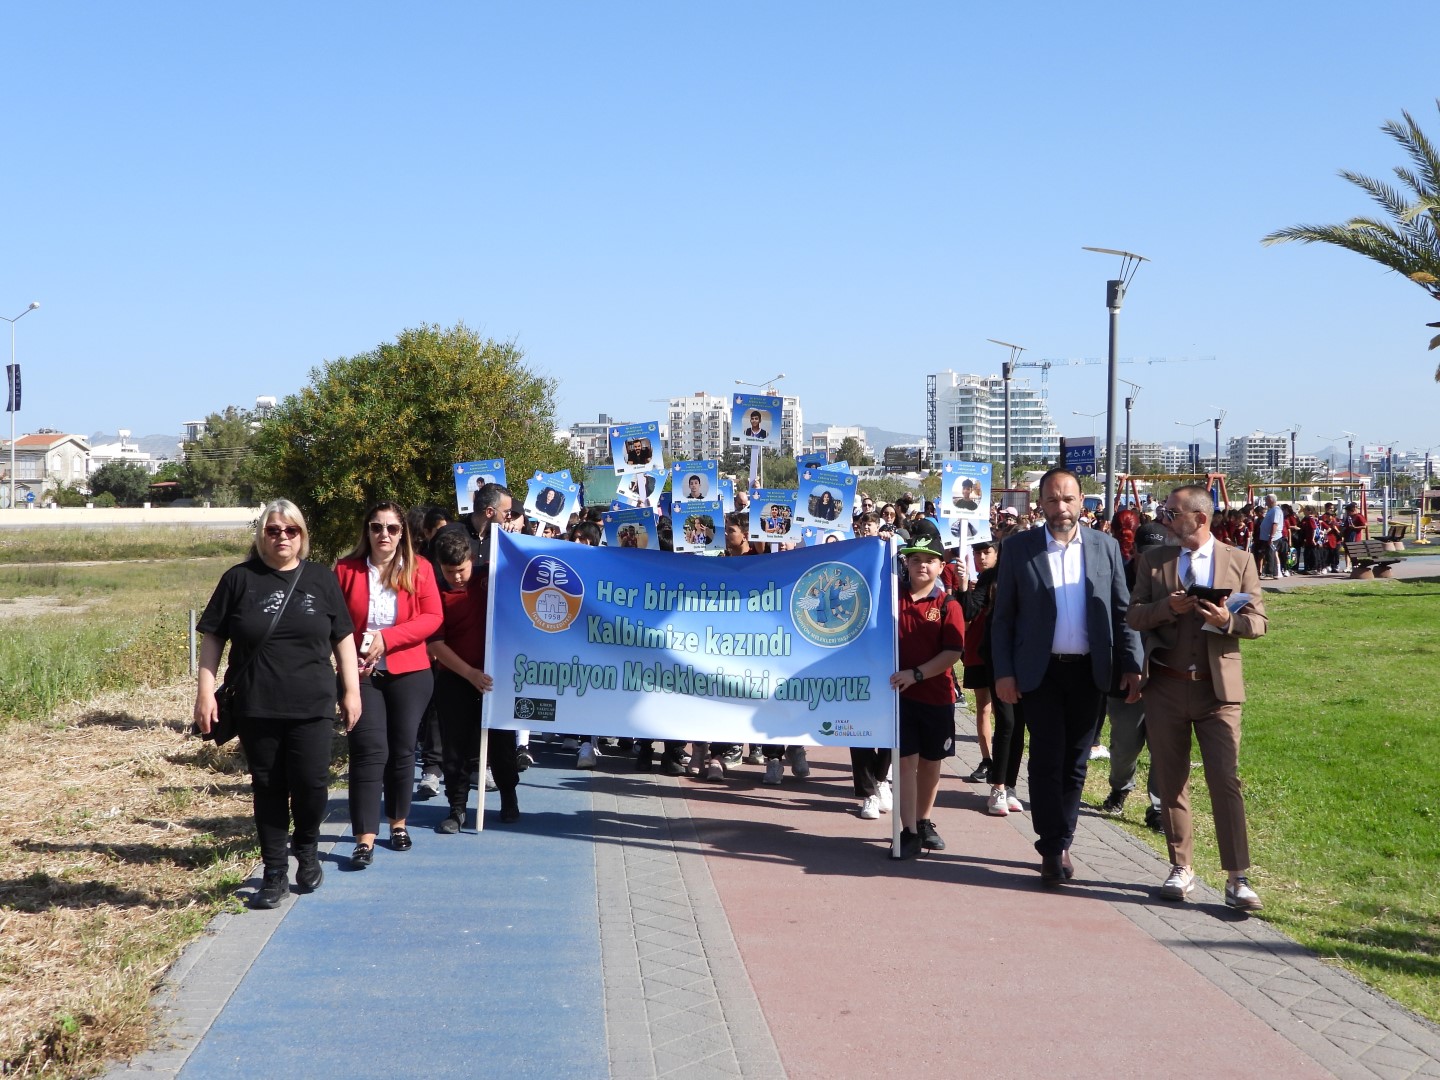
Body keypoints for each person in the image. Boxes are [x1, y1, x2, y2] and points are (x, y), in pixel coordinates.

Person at [194, 500, 361, 908]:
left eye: (291, 530)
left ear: (302, 535)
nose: (282, 537)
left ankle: (306, 847)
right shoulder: (239, 579)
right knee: (268, 787)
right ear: (261, 535)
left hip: (313, 703)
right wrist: (204, 691)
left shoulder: (321, 579)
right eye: (273, 530)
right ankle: (274, 872)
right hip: (257, 703)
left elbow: (342, 637)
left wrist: (351, 690)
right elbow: (214, 636)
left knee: (312, 784)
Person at [991, 468, 1143, 886]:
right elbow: (1003, 619)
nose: (1061, 507)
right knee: (1046, 759)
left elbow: (1121, 610)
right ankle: (1051, 846)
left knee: (1076, 762)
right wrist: (1004, 672)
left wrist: (1132, 664)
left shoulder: (1104, 547)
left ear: (1081, 502)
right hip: (1039, 673)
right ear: (1041, 504)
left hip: (1090, 672)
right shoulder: (1019, 548)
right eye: (1053, 499)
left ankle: (1064, 838)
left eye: (1069, 499)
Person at [1128, 484, 1268, 910]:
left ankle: (1237, 877)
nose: (1164, 519)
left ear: (1199, 518)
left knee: (1225, 780)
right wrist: (1167, 608)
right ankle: (1181, 866)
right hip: (1166, 686)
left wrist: (1227, 620)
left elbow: (1258, 623)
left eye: (1172, 513)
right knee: (1171, 780)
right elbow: (1134, 615)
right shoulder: (1154, 561)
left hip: (1217, 691)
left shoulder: (1239, 560)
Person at [335, 501, 443, 868]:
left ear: (402, 534)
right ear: (367, 531)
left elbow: (432, 617)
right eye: (377, 527)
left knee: (401, 750)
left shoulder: (420, 568)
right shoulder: (346, 570)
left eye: (392, 528)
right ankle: (364, 837)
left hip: (410, 672)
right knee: (368, 751)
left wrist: (389, 638)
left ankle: (398, 823)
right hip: (361, 674)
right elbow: (336, 623)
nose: (384, 534)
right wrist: (348, 660)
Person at [427, 529, 521, 827]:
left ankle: (509, 796)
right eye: (449, 571)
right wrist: (470, 674)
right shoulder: (435, 593)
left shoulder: (488, 578)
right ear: (440, 567)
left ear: (472, 559)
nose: (457, 577)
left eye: (462, 569)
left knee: (502, 743)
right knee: (455, 746)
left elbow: (521, 572)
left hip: (495, 677)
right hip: (456, 678)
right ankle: (457, 808)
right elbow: (435, 645)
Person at [888, 520, 966, 858]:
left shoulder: (949, 605)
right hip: (899, 698)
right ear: (906, 562)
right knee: (905, 763)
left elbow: (953, 652)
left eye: (930, 560)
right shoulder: (892, 599)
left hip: (936, 697)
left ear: (940, 565)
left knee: (932, 762)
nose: (922, 565)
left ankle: (923, 821)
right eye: (915, 559)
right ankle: (907, 830)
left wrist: (916, 674)